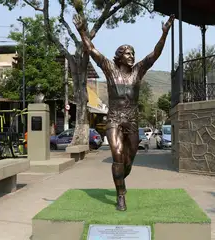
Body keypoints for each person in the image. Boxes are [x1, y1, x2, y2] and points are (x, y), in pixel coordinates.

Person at [73, 14, 175, 211]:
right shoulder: (110, 69)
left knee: (128, 162)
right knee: (117, 155)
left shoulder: (138, 71)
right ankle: (120, 195)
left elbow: (155, 54)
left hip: (132, 121)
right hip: (114, 120)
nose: (132, 56)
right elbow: (92, 50)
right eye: (128, 53)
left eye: (133, 53)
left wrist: (164, 34)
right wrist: (81, 31)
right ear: (119, 56)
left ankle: (121, 178)